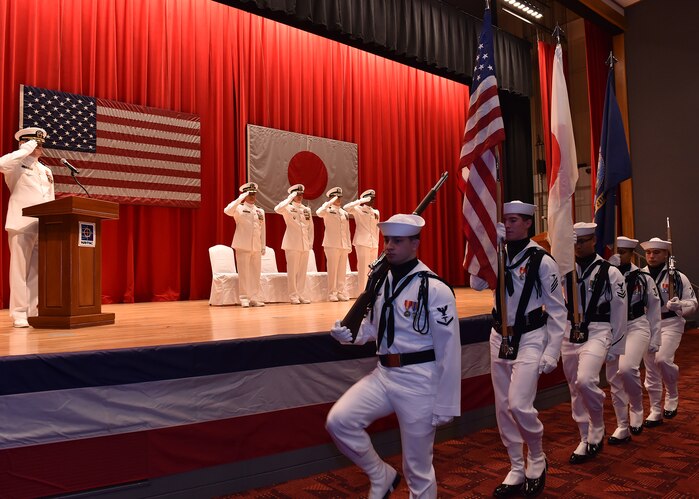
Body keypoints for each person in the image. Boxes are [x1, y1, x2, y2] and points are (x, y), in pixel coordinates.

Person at [326, 213, 461, 499]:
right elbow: (375, 327)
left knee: (417, 468)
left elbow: (449, 348)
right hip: (384, 374)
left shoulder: (434, 288)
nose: (389, 246)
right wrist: (351, 335)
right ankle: (381, 475)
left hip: (419, 380)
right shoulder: (381, 282)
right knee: (339, 421)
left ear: (415, 244)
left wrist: (447, 401)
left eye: (397, 241)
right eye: (387, 239)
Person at [471, 201, 567, 497]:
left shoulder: (542, 260)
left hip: (530, 337)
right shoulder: (497, 254)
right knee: (503, 407)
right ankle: (515, 465)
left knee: (518, 404)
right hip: (499, 337)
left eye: (514, 220)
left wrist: (552, 350)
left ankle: (536, 456)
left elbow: (558, 309)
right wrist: (488, 250)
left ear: (527, 223)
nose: (508, 225)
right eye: (506, 220)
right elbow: (476, 284)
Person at [562, 222, 627, 464]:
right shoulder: (564, 270)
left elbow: (619, 311)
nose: (578, 246)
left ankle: (597, 424)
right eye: (574, 242)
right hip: (570, 331)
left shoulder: (610, 272)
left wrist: (617, 345)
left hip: (598, 330)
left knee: (586, 380)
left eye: (582, 241)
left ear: (593, 241)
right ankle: (584, 436)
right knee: (574, 387)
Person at [605, 236, 661, 443]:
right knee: (613, 378)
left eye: (623, 252)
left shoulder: (642, 277)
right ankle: (622, 426)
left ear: (631, 254)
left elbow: (654, 308)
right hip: (611, 329)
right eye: (616, 252)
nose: (618, 256)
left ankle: (636, 407)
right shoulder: (603, 274)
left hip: (635, 325)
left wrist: (656, 338)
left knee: (627, 368)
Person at [0, 127, 55, 328]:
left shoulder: (46, 170)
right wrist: (24, 150)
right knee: (19, 270)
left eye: (40, 144)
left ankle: (33, 311)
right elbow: (1, 163)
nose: (39, 147)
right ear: (24, 143)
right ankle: (19, 314)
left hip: (42, 225)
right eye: (35, 143)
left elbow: (50, 198)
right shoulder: (15, 165)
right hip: (21, 223)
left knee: (36, 272)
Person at [640, 237, 697, 427]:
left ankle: (672, 392)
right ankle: (655, 410)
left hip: (670, 322)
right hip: (647, 324)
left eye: (656, 252)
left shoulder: (677, 277)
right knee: (650, 370)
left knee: (662, 359)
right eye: (648, 252)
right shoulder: (639, 276)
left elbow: (693, 304)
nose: (651, 256)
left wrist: (680, 305)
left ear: (666, 254)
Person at [224, 182, 266, 307]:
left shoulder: (260, 211)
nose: (252, 196)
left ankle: (254, 298)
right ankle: (244, 298)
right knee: (244, 273)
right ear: (245, 194)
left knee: (255, 273)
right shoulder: (239, 208)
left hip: (256, 246)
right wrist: (240, 198)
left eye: (253, 194)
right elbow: (227, 210)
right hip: (243, 245)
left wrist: (263, 245)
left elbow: (262, 229)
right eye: (250, 194)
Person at [274, 184, 314, 304]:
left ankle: (300, 294)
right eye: (297, 194)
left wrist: (310, 243)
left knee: (302, 272)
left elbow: (310, 228)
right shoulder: (287, 208)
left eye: (301, 194)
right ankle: (293, 295)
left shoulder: (306, 210)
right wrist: (290, 198)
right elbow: (277, 209)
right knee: (292, 271)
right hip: (292, 243)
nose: (300, 196)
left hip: (304, 244)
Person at [317, 187, 351, 301]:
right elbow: (319, 212)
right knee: (332, 269)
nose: (339, 199)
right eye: (336, 197)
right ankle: (332, 293)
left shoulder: (344, 213)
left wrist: (348, 245)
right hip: (331, 244)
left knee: (341, 270)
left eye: (340, 197)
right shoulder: (327, 210)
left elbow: (347, 230)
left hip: (343, 244)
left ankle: (340, 292)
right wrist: (330, 202)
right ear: (331, 198)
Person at [343, 189, 379, 291]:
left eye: (373, 198)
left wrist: (377, 243)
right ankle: (362, 293)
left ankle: (371, 292)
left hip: (373, 243)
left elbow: (377, 229)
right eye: (370, 198)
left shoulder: (376, 212)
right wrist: (361, 201)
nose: (373, 200)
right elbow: (346, 208)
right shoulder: (358, 209)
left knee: (373, 270)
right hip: (362, 243)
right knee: (363, 270)